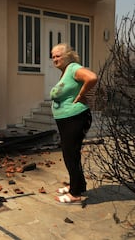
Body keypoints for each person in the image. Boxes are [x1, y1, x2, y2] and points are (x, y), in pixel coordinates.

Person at [50, 43, 98, 204]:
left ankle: (75, 194)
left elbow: (92, 77)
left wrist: (81, 94)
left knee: (70, 154)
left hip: (76, 118)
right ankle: (77, 185)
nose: (54, 59)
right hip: (67, 120)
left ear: (68, 56)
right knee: (71, 154)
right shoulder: (66, 72)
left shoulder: (73, 67)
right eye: (53, 56)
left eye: (58, 55)